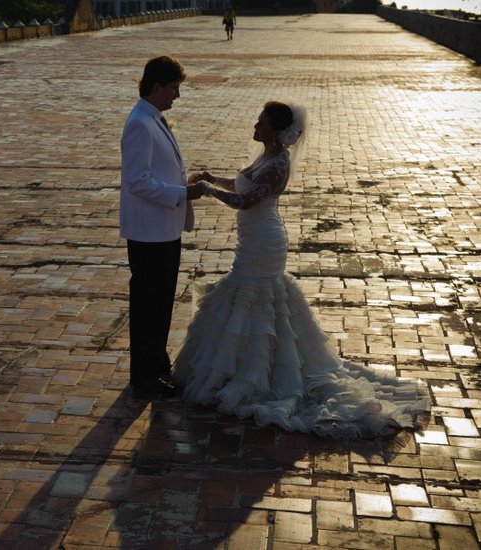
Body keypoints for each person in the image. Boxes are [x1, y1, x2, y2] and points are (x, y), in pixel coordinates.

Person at [172, 101, 429, 438]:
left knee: (253, 295)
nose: (255, 124)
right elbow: (243, 185)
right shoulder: (266, 157)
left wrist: (205, 190)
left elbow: (246, 201)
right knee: (248, 298)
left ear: (276, 132)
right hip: (252, 238)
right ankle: (242, 369)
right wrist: (211, 177)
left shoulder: (279, 164)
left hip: (264, 241)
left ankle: (255, 376)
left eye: (261, 121)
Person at [120, 55, 204, 399]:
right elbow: (137, 181)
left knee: (161, 302)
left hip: (164, 229)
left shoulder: (154, 118)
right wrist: (182, 192)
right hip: (150, 232)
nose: (176, 96)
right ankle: (144, 375)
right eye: (173, 88)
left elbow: (158, 171)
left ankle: (157, 365)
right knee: (148, 305)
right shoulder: (140, 122)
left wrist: (185, 181)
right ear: (156, 87)